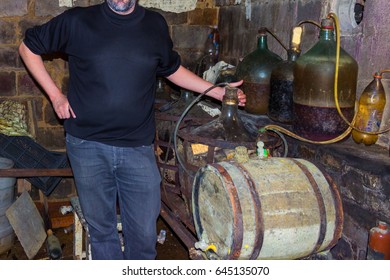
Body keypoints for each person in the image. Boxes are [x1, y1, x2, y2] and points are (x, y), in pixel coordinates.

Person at [18, 0, 246, 260]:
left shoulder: (154, 24)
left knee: (144, 234)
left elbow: (172, 70)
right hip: (86, 145)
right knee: (102, 231)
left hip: (137, 147)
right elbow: (28, 48)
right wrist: (56, 95)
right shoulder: (77, 21)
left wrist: (217, 91)